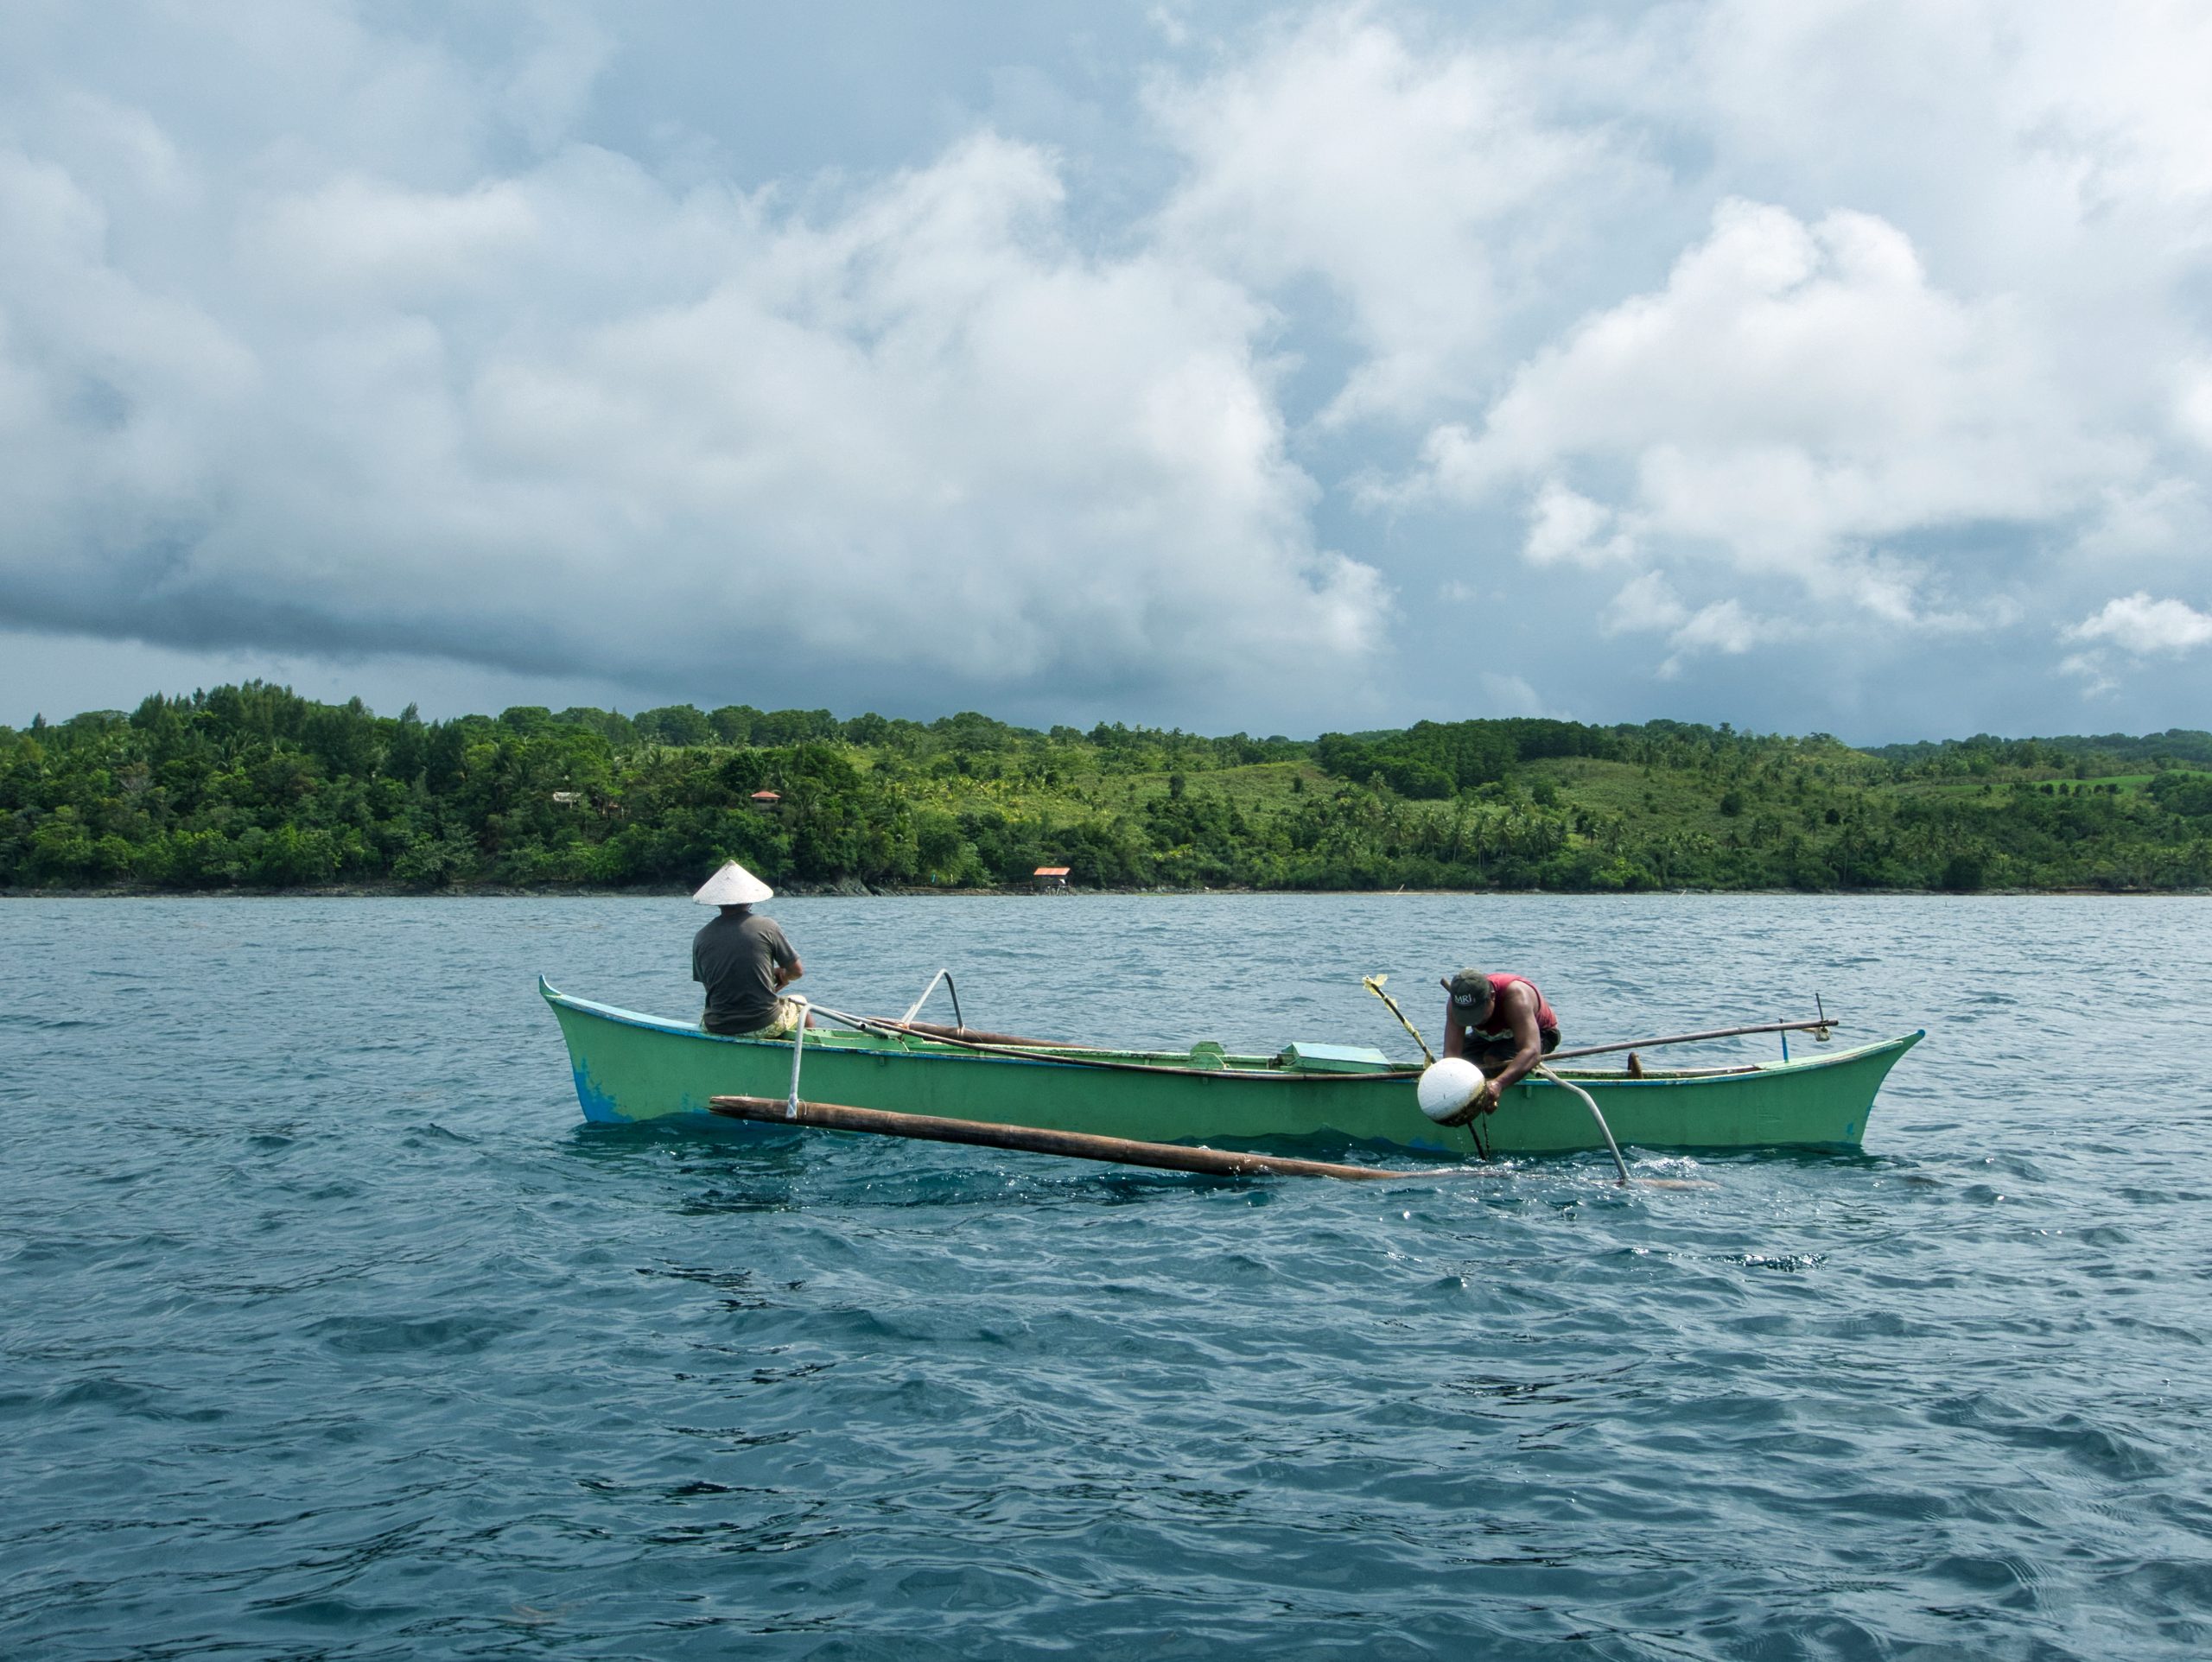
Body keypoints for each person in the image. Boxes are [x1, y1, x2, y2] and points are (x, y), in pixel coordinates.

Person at [690, 860, 810, 1038]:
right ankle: (806, 1058)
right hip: (763, 1023)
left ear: (718, 902)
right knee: (802, 1007)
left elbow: (714, 986)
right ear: (749, 898)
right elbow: (797, 971)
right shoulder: (767, 926)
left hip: (716, 1025)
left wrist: (767, 975)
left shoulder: (701, 937)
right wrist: (783, 977)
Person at [1439, 968, 1560, 1118]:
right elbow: (1451, 1054)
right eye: (1467, 1016)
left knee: (1493, 1059)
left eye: (1477, 1013)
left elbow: (1532, 1051)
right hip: (1489, 1036)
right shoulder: (1456, 1002)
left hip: (1541, 1034)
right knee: (1463, 1065)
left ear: (1492, 997)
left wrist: (1498, 1084)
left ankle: (1493, 1093)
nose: (1474, 1021)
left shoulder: (1516, 997)